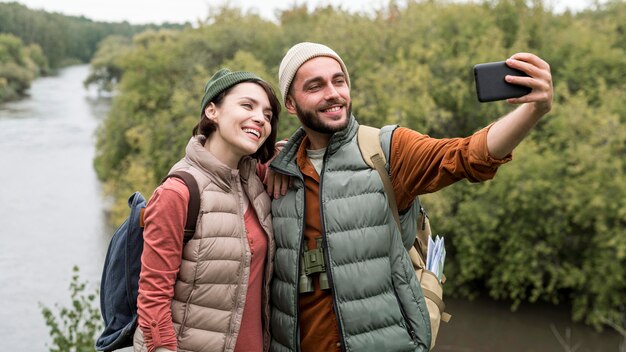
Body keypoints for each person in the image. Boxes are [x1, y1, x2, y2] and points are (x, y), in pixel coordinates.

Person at [266, 42, 553, 352]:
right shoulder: (277, 171)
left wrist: (534, 109)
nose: (333, 93)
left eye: (339, 81)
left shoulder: (386, 150)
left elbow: (470, 154)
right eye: (315, 86)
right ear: (291, 104)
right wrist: (272, 157)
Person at [133, 68, 281, 352]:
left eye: (267, 114)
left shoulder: (256, 181)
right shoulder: (179, 192)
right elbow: (152, 300)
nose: (260, 118)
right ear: (212, 111)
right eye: (247, 105)